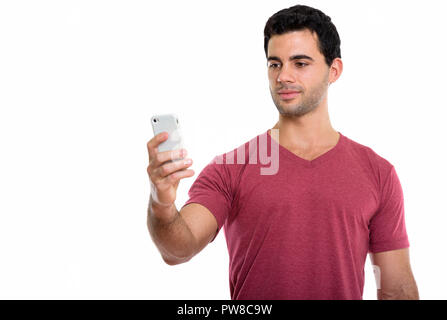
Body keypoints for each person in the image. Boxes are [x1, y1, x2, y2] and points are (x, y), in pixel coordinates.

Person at [146, 4, 419, 300]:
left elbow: (396, 290)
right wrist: (161, 201)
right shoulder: (230, 168)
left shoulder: (378, 173)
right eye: (275, 64)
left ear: (334, 70)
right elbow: (177, 250)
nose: (283, 76)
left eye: (300, 64)